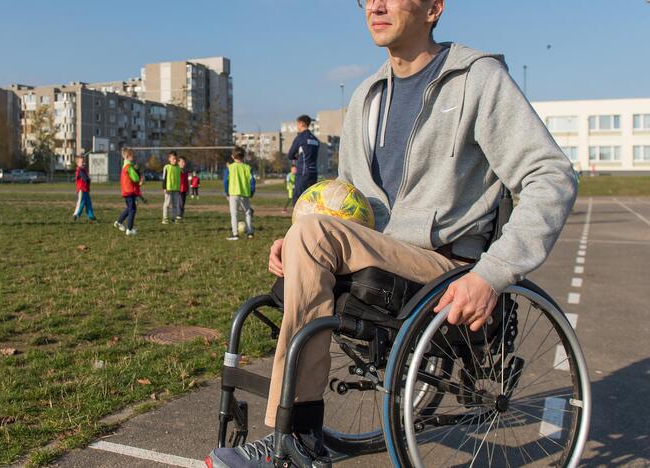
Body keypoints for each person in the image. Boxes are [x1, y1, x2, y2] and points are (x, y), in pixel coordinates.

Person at [207, 0, 577, 466]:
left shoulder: (477, 79)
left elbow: (552, 176)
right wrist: (303, 243)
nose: (376, 5)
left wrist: (493, 273)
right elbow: (348, 205)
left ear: (434, 8)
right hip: (381, 255)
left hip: (445, 266)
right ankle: (295, 433)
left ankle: (295, 438)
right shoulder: (366, 95)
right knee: (305, 238)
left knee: (313, 237)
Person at [224, 147, 256, 241]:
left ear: (232, 156)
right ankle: (250, 232)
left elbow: (226, 181)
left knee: (234, 214)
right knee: (247, 213)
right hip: (244, 194)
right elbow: (252, 181)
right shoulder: (247, 168)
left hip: (233, 194)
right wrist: (252, 192)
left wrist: (226, 192)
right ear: (243, 156)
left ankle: (235, 234)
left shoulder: (230, 168)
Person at [287, 114, 319, 206]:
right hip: (314, 173)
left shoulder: (300, 138)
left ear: (301, 124)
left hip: (303, 173)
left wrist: (296, 157)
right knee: (311, 200)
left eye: (297, 124)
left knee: (298, 199)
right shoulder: (316, 139)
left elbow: (290, 155)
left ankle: (298, 220)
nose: (297, 126)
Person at [115, 148, 140, 235]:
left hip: (126, 191)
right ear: (127, 156)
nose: (134, 157)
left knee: (129, 208)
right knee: (132, 209)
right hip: (130, 191)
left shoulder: (124, 166)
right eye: (132, 156)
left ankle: (119, 222)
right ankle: (129, 229)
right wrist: (138, 175)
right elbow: (135, 178)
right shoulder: (129, 167)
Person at [72, 155, 96, 222]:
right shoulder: (79, 170)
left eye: (84, 162)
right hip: (81, 190)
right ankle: (76, 214)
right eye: (82, 162)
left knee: (88, 203)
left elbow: (83, 178)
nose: (84, 163)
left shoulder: (84, 170)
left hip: (86, 190)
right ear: (78, 164)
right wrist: (87, 179)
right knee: (81, 203)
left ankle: (91, 215)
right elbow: (84, 177)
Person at [161, 151, 182, 224]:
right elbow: (164, 178)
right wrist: (164, 188)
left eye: (175, 159)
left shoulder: (178, 168)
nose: (175, 160)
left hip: (176, 189)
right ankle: (165, 218)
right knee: (167, 204)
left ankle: (174, 218)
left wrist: (179, 188)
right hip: (168, 189)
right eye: (173, 159)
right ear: (169, 159)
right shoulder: (166, 167)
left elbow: (179, 179)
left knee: (175, 204)